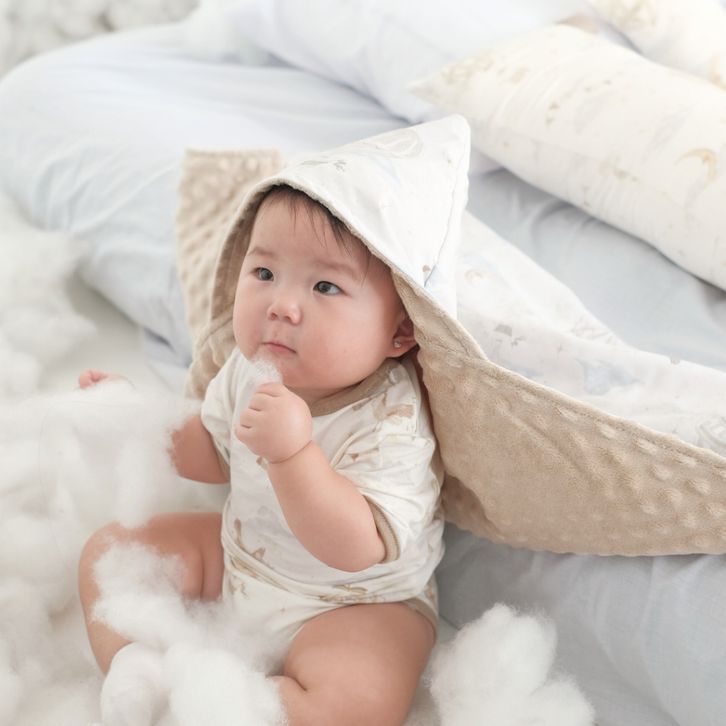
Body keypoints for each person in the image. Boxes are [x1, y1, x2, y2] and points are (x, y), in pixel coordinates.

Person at [77, 179, 445, 725]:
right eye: (265, 274)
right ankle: (138, 667)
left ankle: (250, 707)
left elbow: (356, 547)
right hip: (240, 554)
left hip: (354, 603)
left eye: (325, 286)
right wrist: (138, 421)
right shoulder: (251, 369)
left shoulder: (393, 420)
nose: (281, 307)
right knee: (111, 555)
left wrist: (293, 456)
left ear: (400, 332)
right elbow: (213, 452)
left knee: (358, 704)